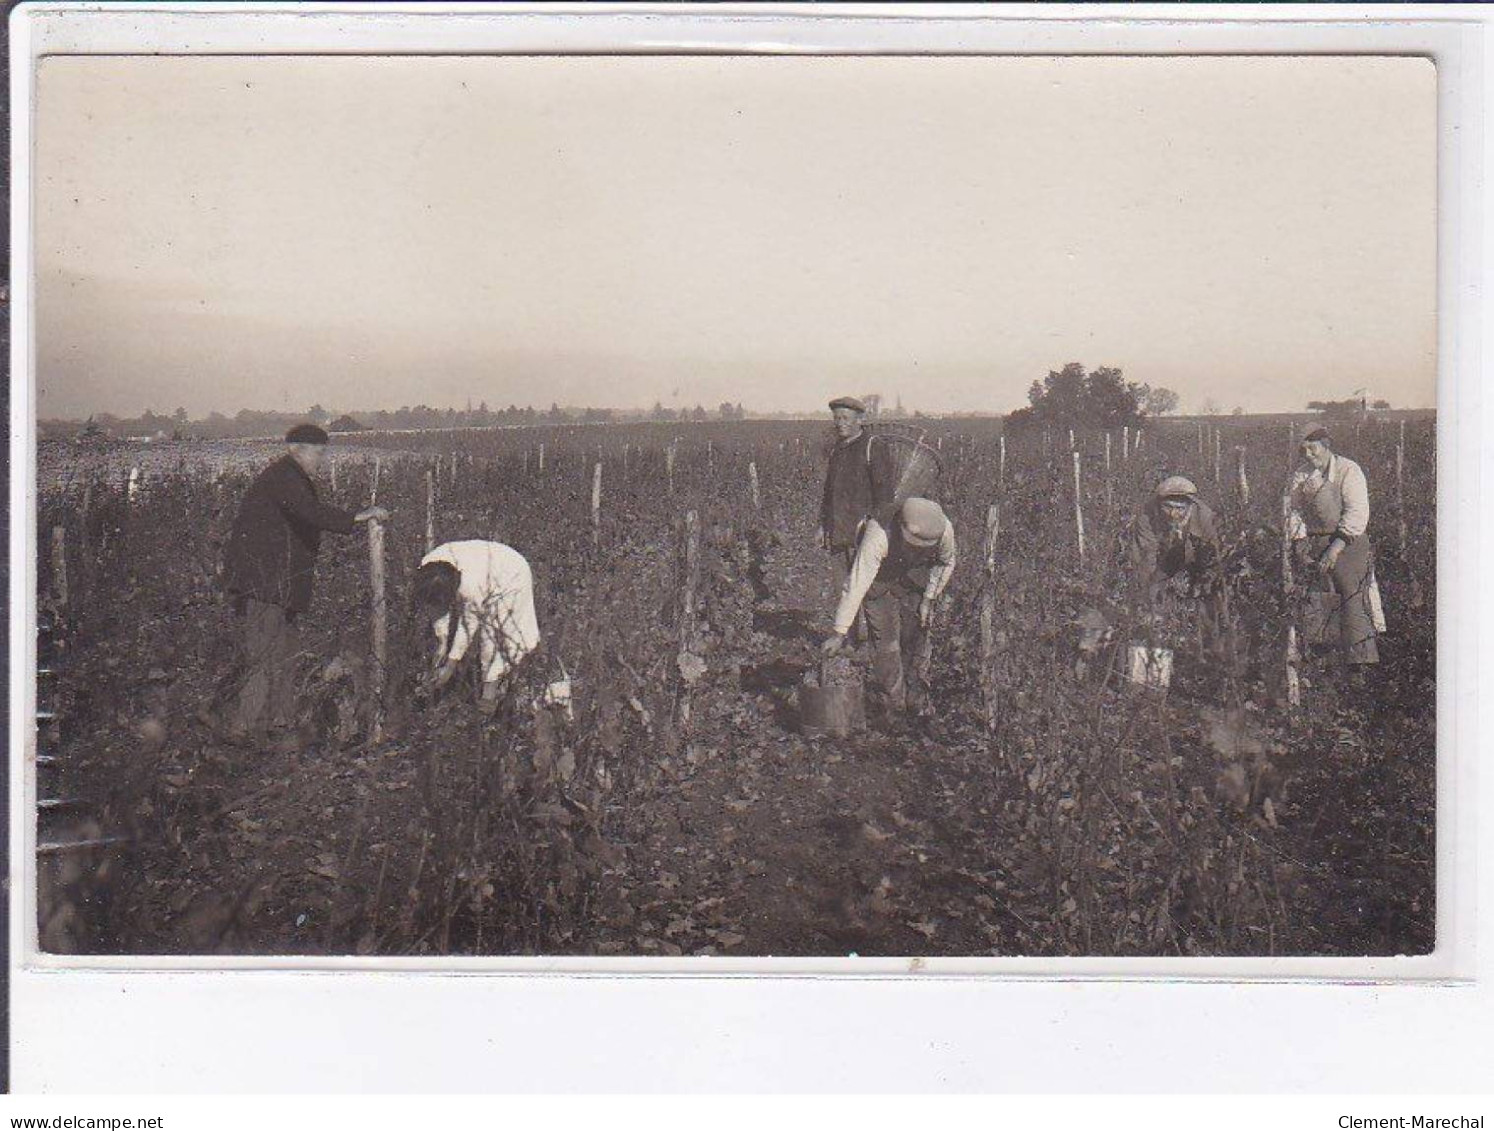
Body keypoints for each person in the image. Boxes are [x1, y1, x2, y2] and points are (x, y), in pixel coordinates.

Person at [221, 424, 388, 745]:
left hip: (278, 585)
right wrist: (357, 516)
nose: (321, 460)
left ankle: (279, 726)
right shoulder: (284, 476)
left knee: (285, 653)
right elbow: (309, 512)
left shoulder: (290, 477)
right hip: (264, 585)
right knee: (265, 654)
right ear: (297, 449)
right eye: (318, 453)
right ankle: (241, 731)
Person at [822, 497, 957, 727]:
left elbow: (946, 562)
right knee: (887, 643)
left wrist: (928, 598)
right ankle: (894, 709)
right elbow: (857, 583)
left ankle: (916, 701)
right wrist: (839, 632)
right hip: (879, 579)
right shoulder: (878, 534)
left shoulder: (944, 531)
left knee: (915, 637)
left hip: (914, 576)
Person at [1287, 427, 1383, 668]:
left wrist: (1335, 548)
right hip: (1314, 542)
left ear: (1326, 444)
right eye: (1304, 449)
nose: (1308, 454)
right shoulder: (1301, 475)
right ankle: (1325, 664)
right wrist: (1299, 543)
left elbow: (1357, 513)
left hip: (1348, 543)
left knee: (1351, 598)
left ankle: (1360, 665)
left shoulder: (1348, 470)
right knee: (1317, 600)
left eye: (1313, 448)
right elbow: (1294, 511)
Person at [411, 539, 543, 711]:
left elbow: (468, 625)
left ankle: (489, 698)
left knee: (492, 638)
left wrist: (450, 665)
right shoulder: (428, 569)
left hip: (509, 574)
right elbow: (437, 612)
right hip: (485, 565)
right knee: (444, 640)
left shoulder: (471, 586)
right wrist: (441, 648)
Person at [1125, 475, 1223, 605]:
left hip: (1197, 558)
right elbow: (1145, 556)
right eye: (1168, 507)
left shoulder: (1205, 517)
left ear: (1190, 505)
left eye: (1179, 508)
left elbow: (1215, 556)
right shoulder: (1147, 516)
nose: (1173, 514)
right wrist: (1146, 591)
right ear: (1159, 504)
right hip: (1164, 556)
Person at [820, 396, 878, 594]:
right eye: (837, 419)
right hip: (838, 535)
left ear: (859, 420)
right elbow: (829, 492)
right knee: (844, 594)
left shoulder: (872, 447)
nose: (840, 423)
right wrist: (823, 525)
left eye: (845, 418)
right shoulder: (837, 450)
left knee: (871, 598)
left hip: (864, 537)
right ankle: (847, 627)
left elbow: (885, 496)